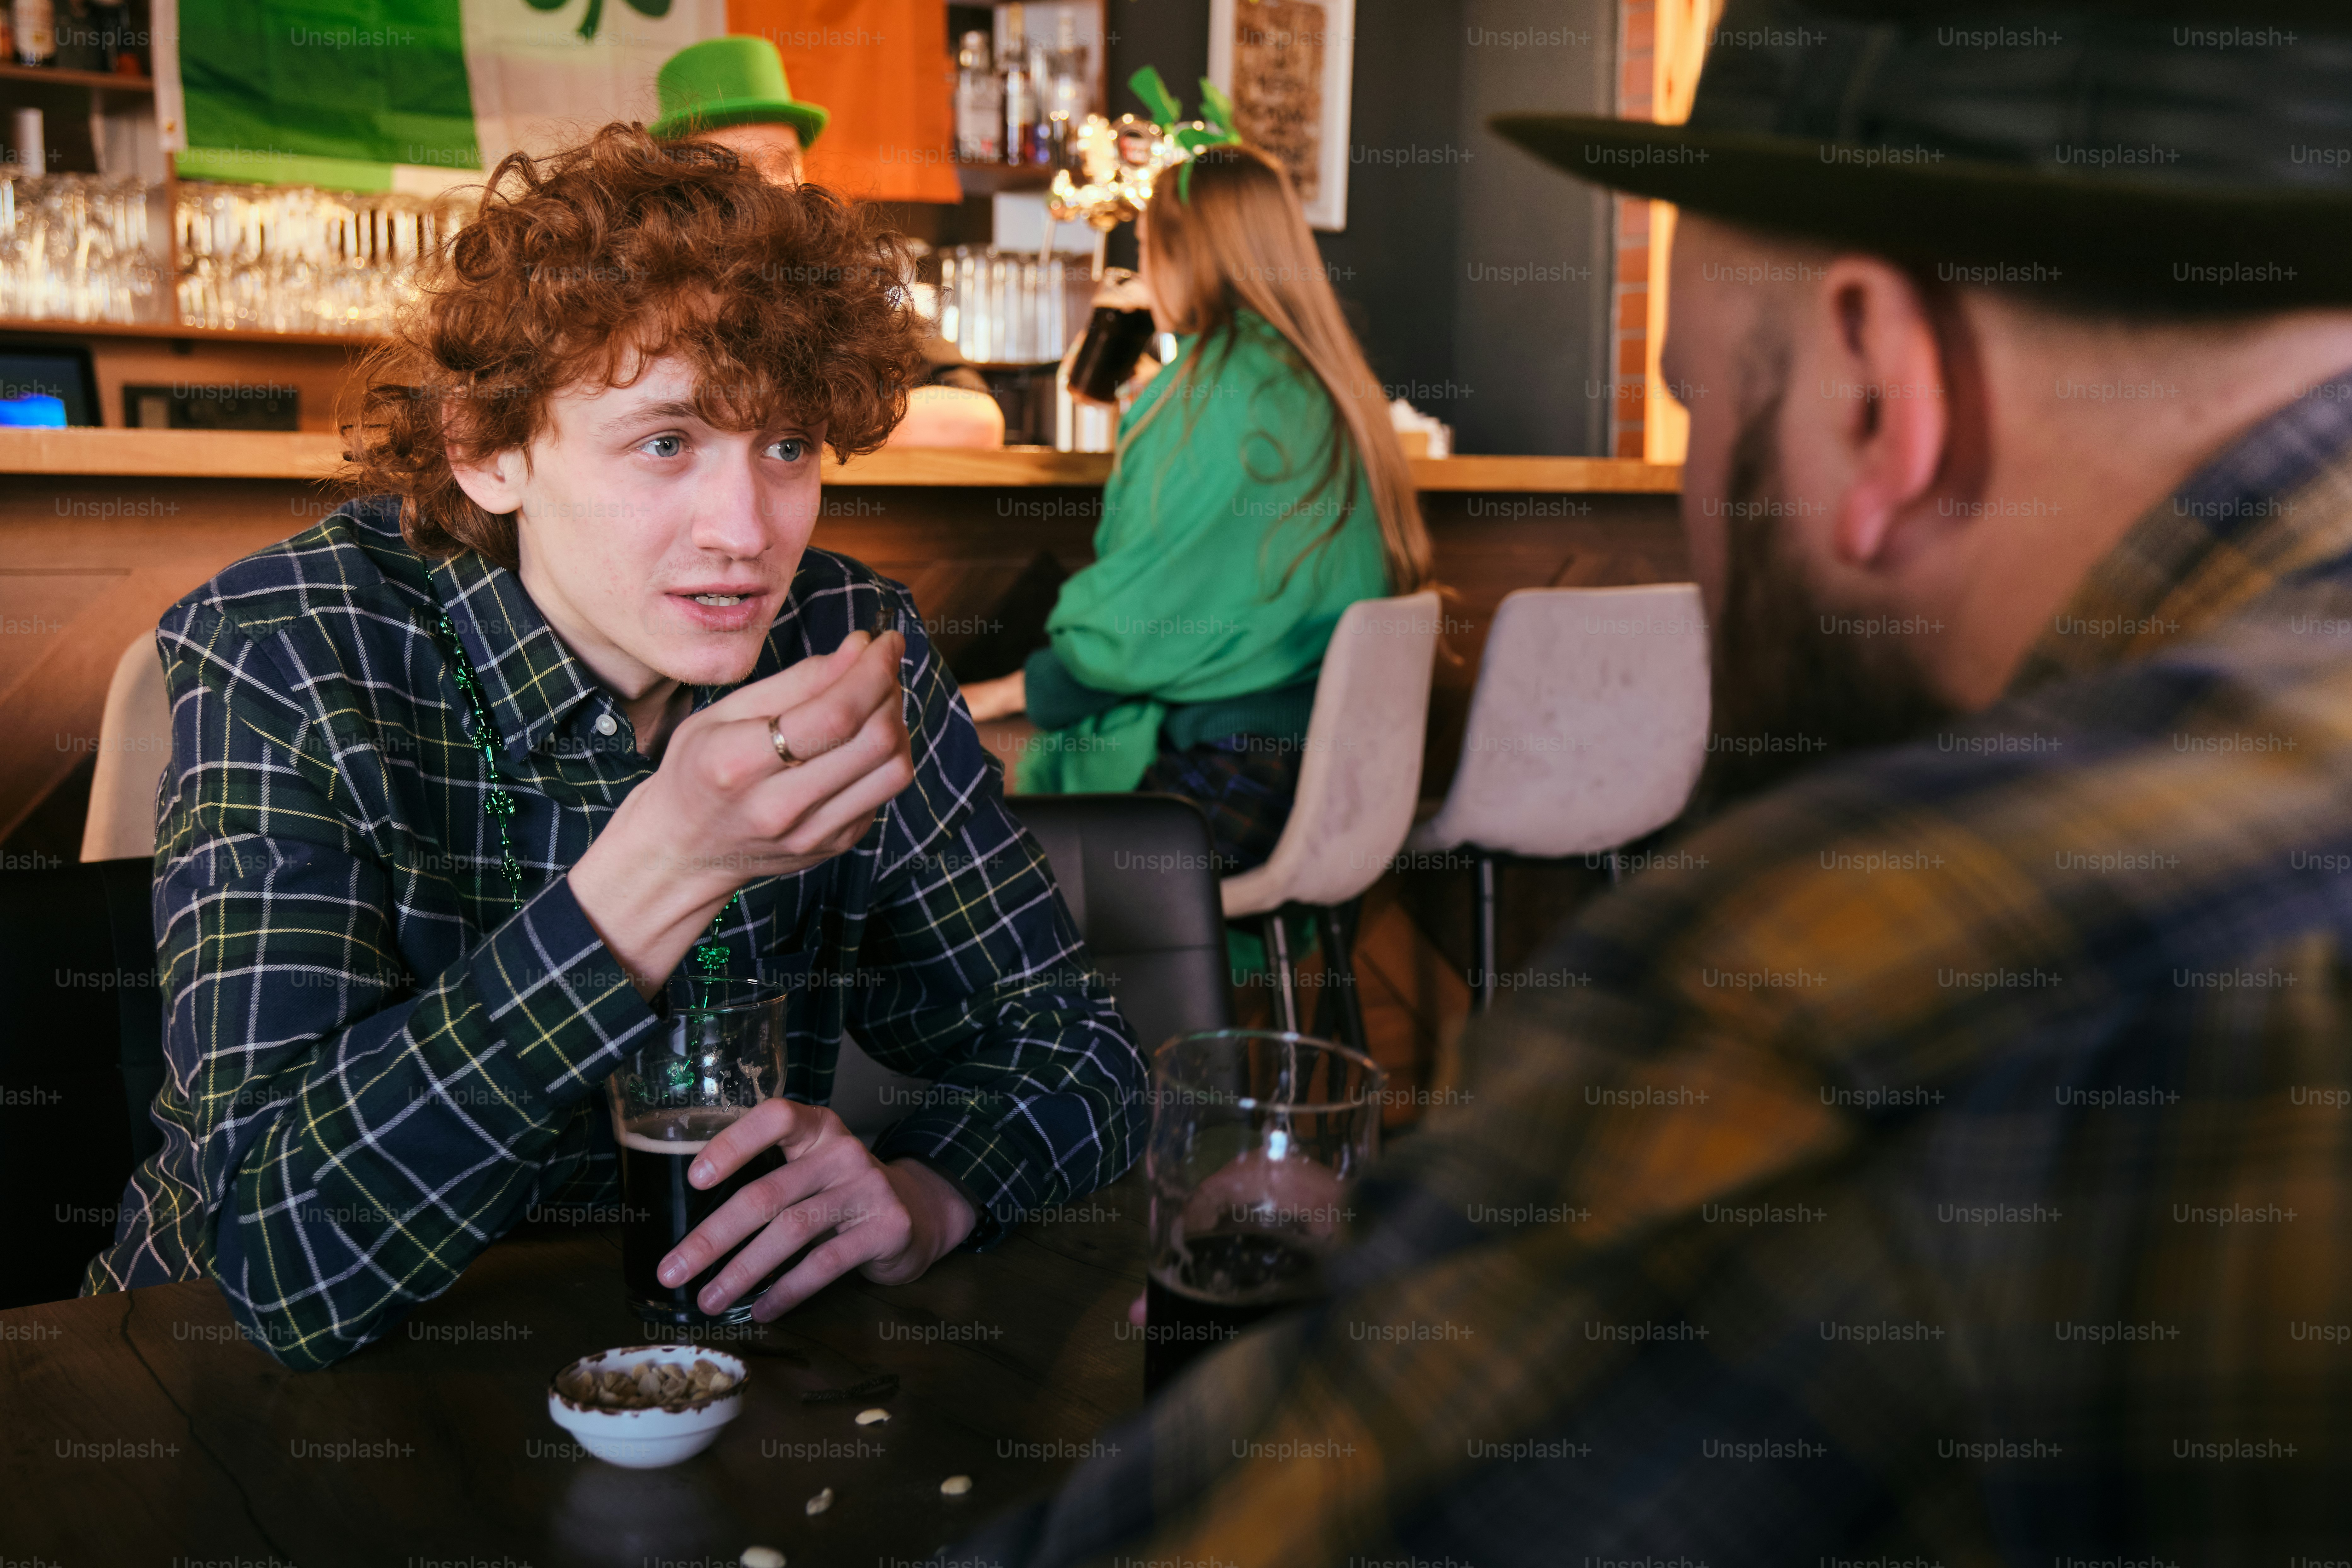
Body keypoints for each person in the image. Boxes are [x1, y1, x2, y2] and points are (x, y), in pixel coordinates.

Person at [949, 1, 2352, 1562]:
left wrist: (1426, 1311)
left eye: (1699, 405)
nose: (1692, 490)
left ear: (1877, 395)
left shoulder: (1862, 990)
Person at [81, 125, 1144, 1368]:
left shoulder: (841, 640)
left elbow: (1078, 1049)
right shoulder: (291, 651)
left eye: (786, 446)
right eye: (666, 443)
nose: (746, 529)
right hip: (228, 1386)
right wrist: (661, 868)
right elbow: (278, 1261)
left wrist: (928, 1195)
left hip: (676, 1370)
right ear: (487, 449)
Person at [960, 141, 1430, 871]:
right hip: (1331, 777)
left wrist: (995, 695)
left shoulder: (1207, 389)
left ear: (1189, 254)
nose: (1143, 274)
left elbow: (1128, 633)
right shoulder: (1328, 377)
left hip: (1221, 785)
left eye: (1146, 249)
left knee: (940, 766)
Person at [651, 35, 1006, 450]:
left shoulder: (848, 292)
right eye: (735, 168)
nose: (766, 186)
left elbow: (976, 421)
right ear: (677, 186)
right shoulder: (638, 304)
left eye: (781, 163)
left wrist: (812, 432)